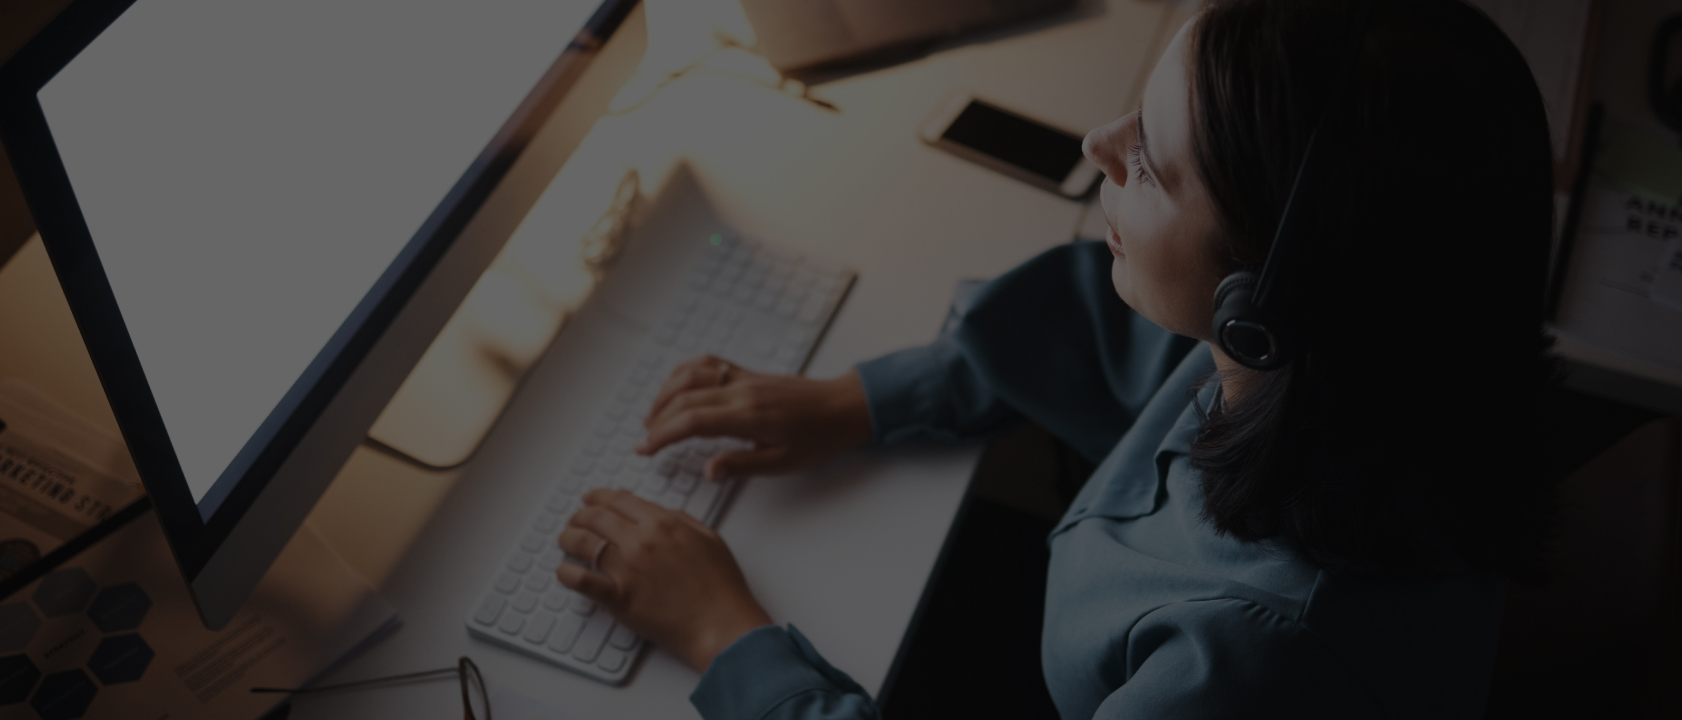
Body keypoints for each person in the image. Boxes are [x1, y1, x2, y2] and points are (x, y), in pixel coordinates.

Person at [552, 0, 1559, 717]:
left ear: (1262, 303)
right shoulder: (1356, 357)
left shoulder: (1262, 660)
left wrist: (726, 641)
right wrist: (859, 400)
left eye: (1151, 161)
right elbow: (1104, 328)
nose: (1098, 140)